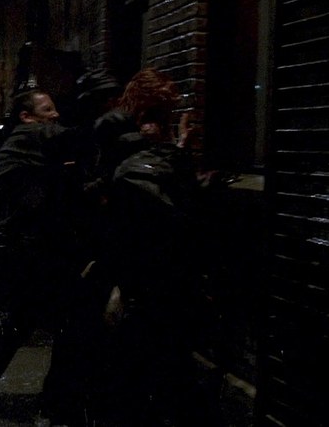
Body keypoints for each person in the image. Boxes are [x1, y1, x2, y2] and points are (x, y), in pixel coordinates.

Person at [78, 67, 221, 426]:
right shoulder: (141, 158)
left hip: (138, 281)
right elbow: (168, 220)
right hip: (152, 282)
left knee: (136, 374)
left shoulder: (130, 153)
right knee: (155, 371)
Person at [0, 89, 86, 415]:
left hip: (27, 249)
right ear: (27, 117)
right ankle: (56, 399)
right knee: (61, 321)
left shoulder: (24, 143)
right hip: (30, 250)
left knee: (21, 321)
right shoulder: (27, 137)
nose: (55, 115)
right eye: (47, 110)